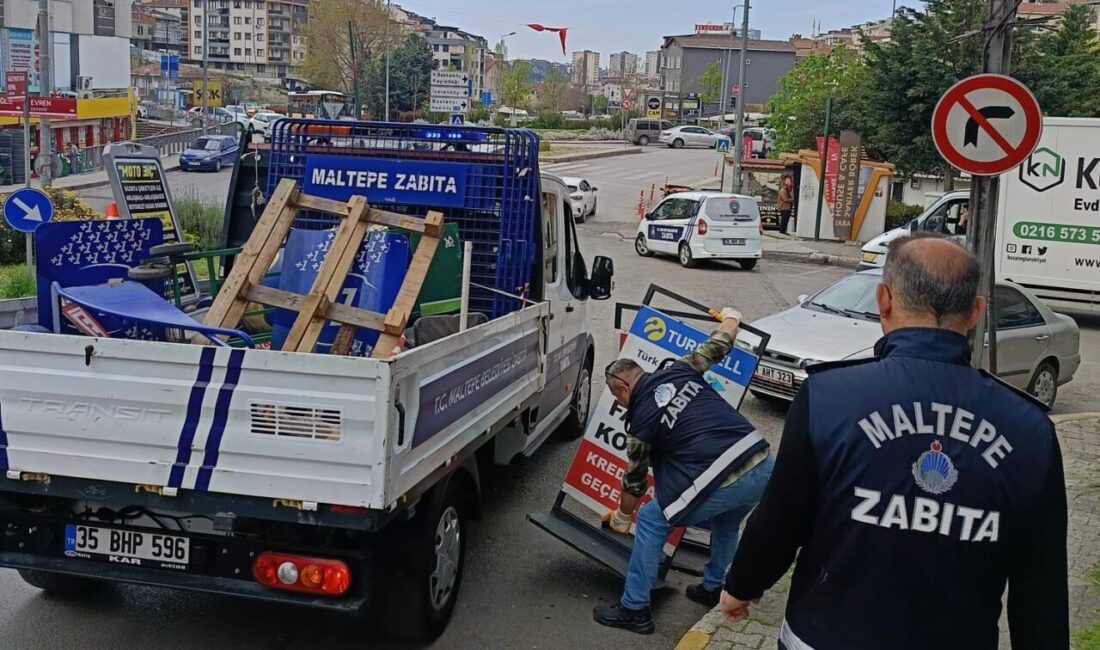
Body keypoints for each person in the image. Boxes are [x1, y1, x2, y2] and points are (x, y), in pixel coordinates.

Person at [721, 233, 1068, 649]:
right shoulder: (1030, 430)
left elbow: (780, 519)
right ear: (976, 313)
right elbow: (1041, 588)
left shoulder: (829, 398)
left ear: (883, 300)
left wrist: (743, 584)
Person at [593, 308, 774, 635]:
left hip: (724, 475)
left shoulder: (639, 424)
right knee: (728, 519)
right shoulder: (679, 369)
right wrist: (732, 317)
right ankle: (713, 586)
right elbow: (721, 342)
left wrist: (622, 518)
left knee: (649, 519)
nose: (619, 403)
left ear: (621, 388)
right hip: (762, 462)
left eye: (615, 396)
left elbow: (634, 484)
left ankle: (634, 609)